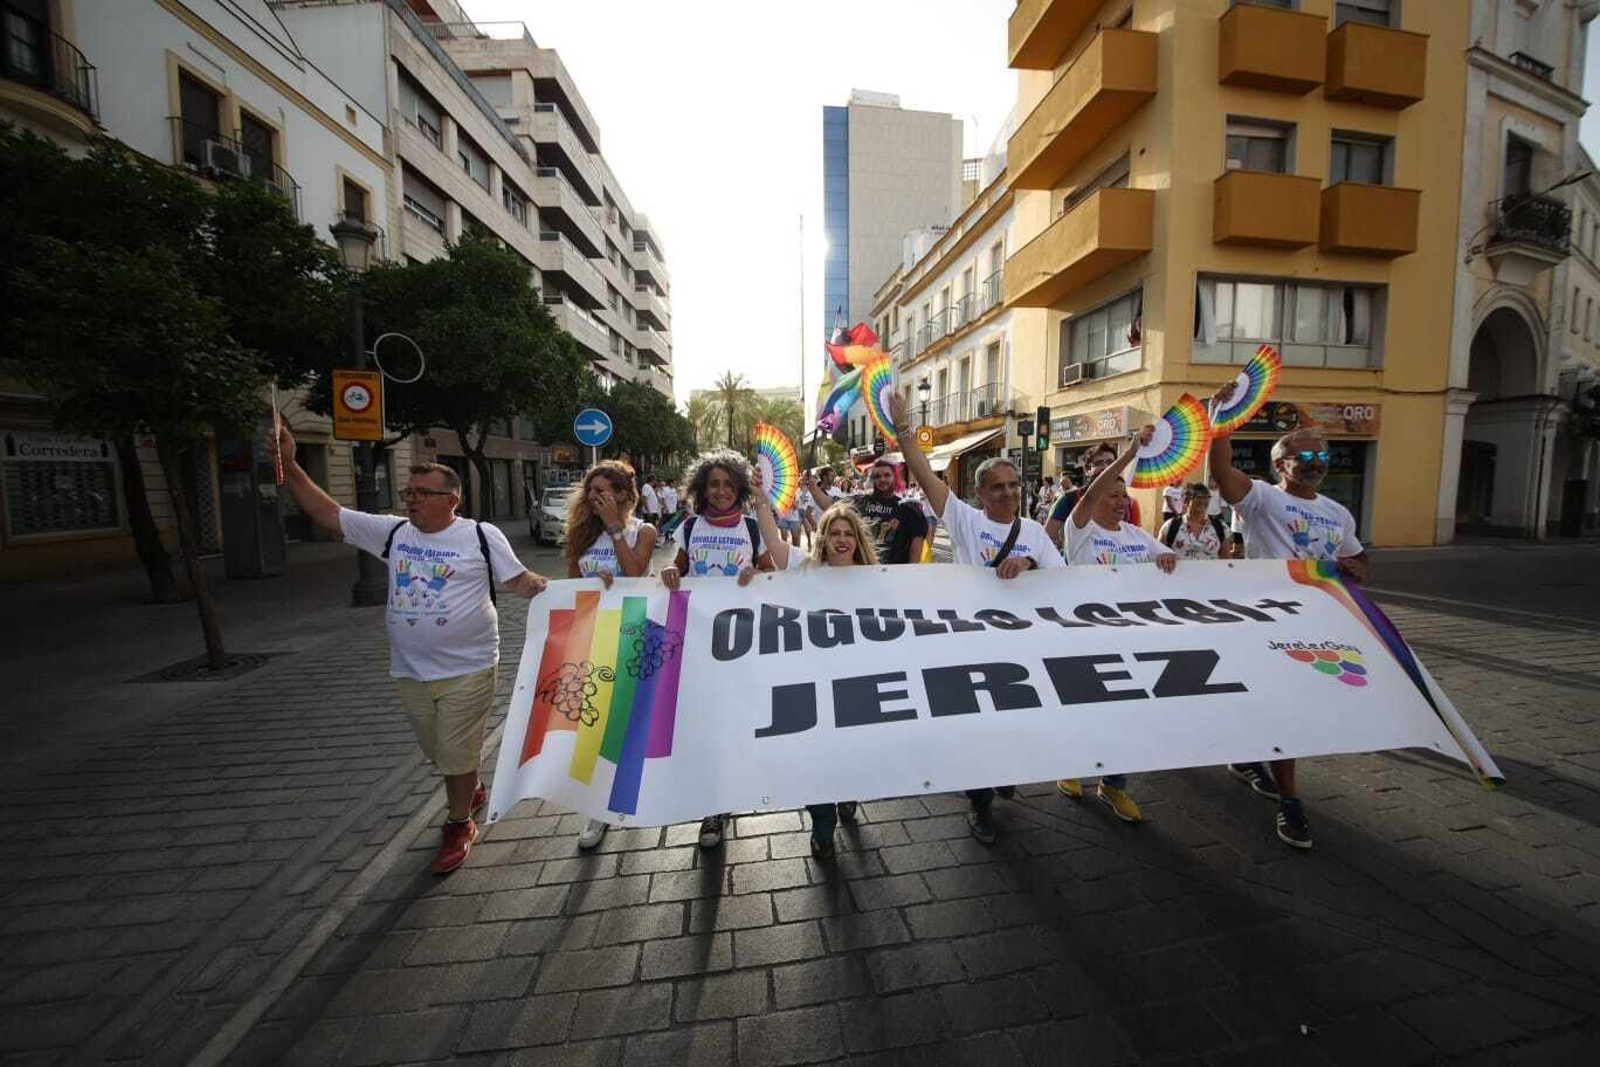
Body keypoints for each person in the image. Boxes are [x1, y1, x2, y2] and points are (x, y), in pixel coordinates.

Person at [269, 424, 547, 874]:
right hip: (410, 670)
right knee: (440, 752)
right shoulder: (394, 532)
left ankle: (458, 823)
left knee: (455, 750)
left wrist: (569, 591)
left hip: (471, 667)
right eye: (408, 492)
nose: (411, 499)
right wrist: (290, 463)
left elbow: (520, 581)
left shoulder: (480, 535)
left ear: (451, 499)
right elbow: (328, 514)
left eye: (421, 493)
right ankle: (469, 785)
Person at [891, 392, 1064, 844]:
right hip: (971, 645)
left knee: (1011, 723)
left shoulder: (1034, 533)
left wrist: (1030, 563)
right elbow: (924, 473)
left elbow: (1062, 579)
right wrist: (904, 429)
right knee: (978, 727)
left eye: (1013, 485)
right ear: (981, 494)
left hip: (1020, 649)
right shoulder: (965, 520)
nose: (1008, 492)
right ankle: (981, 805)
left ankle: (1002, 773)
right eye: (998, 487)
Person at [1207, 386, 1369, 850]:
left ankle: (1246, 755)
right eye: (1306, 456)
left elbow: (1359, 560)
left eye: (1322, 455)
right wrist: (1223, 418)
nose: (1317, 462)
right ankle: (1290, 801)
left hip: (1318, 625)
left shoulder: (1338, 512)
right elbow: (1222, 472)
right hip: (1267, 624)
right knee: (1286, 711)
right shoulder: (1262, 499)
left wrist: (1356, 567)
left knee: (1282, 706)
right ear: (1280, 464)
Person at [744, 478, 872, 859]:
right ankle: (823, 826)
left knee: (848, 753)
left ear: (858, 541)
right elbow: (773, 542)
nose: (842, 540)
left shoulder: (877, 580)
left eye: (849, 533)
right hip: (812, 685)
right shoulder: (805, 568)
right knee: (815, 758)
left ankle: (847, 791)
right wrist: (761, 500)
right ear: (823, 537)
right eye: (835, 532)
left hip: (856, 686)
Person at [1055, 425, 1175, 823]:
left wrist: (1167, 558)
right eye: (1113, 495)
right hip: (1083, 640)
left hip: (1131, 642)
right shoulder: (1080, 531)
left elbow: (1169, 560)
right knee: (1080, 708)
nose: (1120, 502)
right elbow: (1090, 494)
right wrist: (1130, 453)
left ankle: (1113, 785)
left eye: (1124, 496)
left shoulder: (1139, 536)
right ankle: (1070, 765)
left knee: (1125, 715)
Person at [661, 450, 775, 848]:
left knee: (732, 721)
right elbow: (677, 567)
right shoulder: (690, 528)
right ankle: (713, 803)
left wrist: (757, 573)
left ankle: (724, 798)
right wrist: (671, 571)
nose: (722, 491)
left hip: (740, 642)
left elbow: (773, 574)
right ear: (702, 489)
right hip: (697, 642)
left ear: (739, 488)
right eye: (714, 484)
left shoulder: (751, 528)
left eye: (728, 484)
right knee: (706, 721)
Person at [564, 460, 659, 851]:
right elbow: (571, 584)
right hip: (592, 636)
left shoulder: (644, 531)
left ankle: (630, 793)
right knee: (596, 724)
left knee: (628, 722)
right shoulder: (581, 533)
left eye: (602, 490)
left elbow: (635, 572)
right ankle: (598, 808)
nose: (593, 497)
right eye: (590, 490)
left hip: (632, 635)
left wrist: (614, 528)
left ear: (622, 494)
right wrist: (591, 588)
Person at [802, 457, 927, 565]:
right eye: (877, 476)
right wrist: (812, 487)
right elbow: (830, 504)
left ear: (895, 478)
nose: (882, 479)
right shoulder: (861, 502)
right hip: (862, 570)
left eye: (887, 475)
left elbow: (916, 548)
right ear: (872, 480)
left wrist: (911, 573)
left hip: (893, 573)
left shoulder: (907, 509)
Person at [1044, 444, 1140, 548]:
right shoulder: (1069, 499)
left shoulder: (1129, 504)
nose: (1106, 468)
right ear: (1087, 470)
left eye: (1111, 463)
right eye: (1099, 463)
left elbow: (1136, 540)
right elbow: (1045, 539)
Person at [1157, 483, 1237, 561]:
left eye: (1206, 497)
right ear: (1186, 501)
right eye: (1198, 497)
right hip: (1179, 570)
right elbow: (1158, 554)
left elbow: (1226, 558)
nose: (1202, 501)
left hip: (1211, 570)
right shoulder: (1170, 526)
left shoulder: (1220, 526)